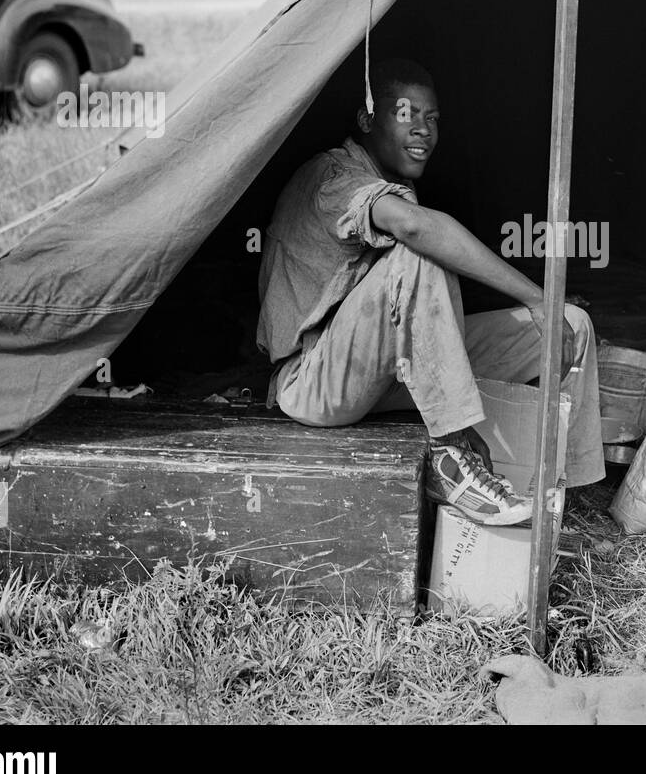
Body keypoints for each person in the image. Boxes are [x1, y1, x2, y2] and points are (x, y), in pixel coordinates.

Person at [256, 59, 605, 526]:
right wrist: (535, 295)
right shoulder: (333, 177)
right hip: (316, 383)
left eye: (433, 118)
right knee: (420, 253)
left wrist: (548, 308)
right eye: (406, 114)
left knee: (569, 326)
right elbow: (415, 230)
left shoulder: (392, 187)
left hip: (381, 375)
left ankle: (574, 493)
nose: (423, 130)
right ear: (366, 119)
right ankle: (453, 455)